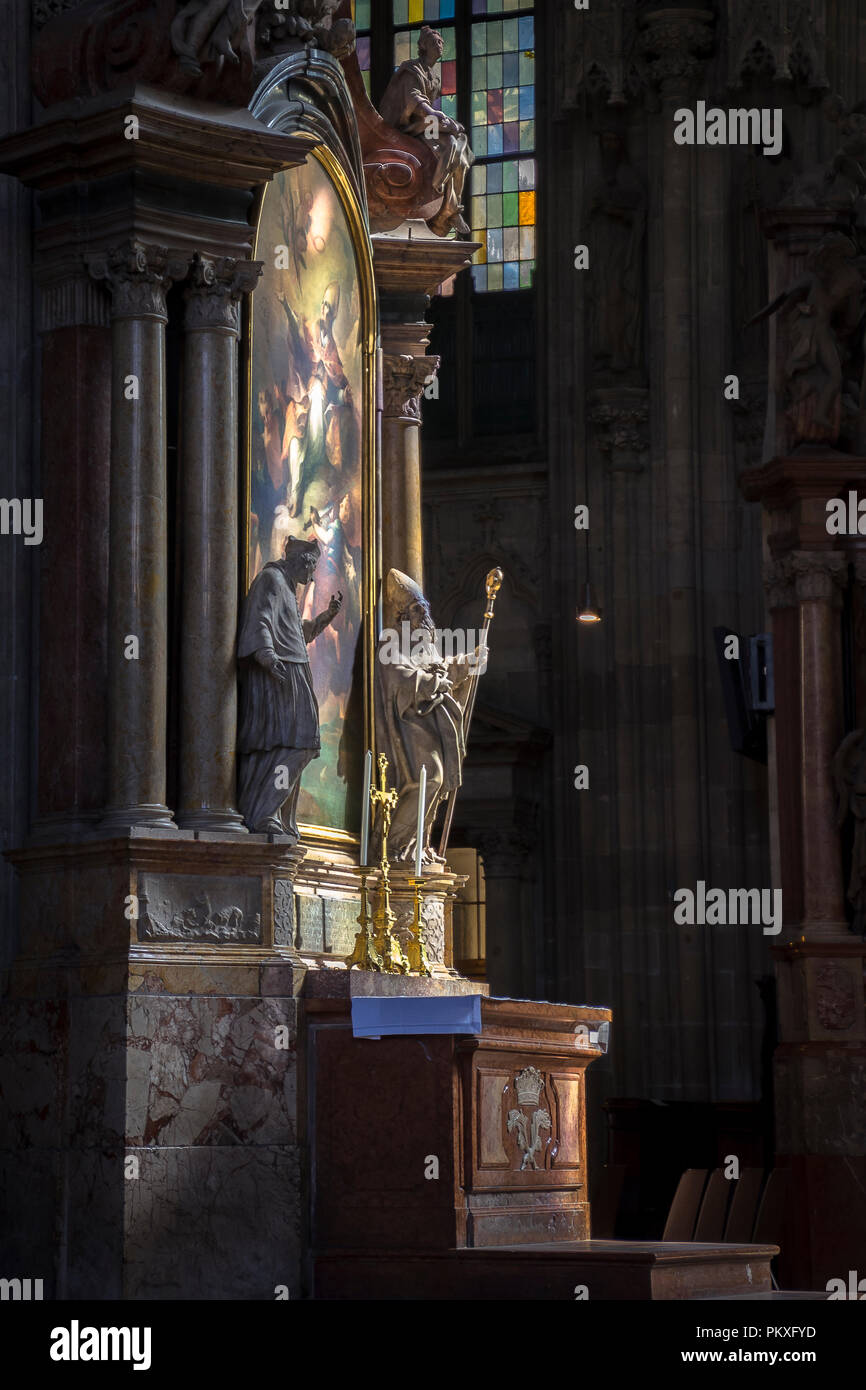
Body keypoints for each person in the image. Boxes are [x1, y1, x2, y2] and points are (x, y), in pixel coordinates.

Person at [237, 535, 342, 837]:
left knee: (300, 744)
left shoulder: (288, 586)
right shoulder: (271, 578)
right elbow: (260, 621)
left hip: (294, 668)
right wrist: (267, 656)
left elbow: (297, 632)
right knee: (292, 743)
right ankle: (264, 812)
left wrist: (326, 617)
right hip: (279, 672)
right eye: (311, 570)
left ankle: (277, 814)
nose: (311, 578)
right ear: (301, 562)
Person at [379, 25, 474, 237]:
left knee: (463, 150)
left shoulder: (435, 77)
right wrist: (438, 117)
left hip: (426, 124)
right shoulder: (411, 70)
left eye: (441, 42)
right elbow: (415, 100)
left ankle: (451, 209)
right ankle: (437, 184)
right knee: (449, 143)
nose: (439, 46)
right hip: (407, 128)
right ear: (423, 46)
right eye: (434, 42)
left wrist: (441, 120)